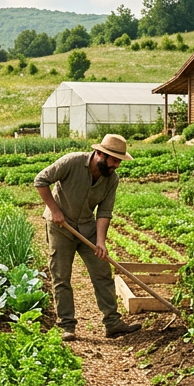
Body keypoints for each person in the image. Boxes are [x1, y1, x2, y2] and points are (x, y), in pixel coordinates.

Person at [34, 133, 141, 342]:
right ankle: (66, 325)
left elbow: (104, 211)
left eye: (119, 161)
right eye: (114, 160)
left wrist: (100, 241)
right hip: (60, 226)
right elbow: (41, 180)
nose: (117, 165)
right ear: (100, 154)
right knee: (61, 275)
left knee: (102, 272)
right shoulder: (72, 162)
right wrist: (55, 210)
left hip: (87, 226)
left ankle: (112, 323)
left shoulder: (112, 179)